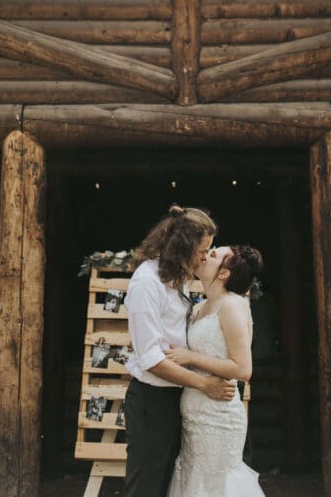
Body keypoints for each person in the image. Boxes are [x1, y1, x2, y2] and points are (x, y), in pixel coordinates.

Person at [124, 206, 237, 497]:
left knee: (171, 485)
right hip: (152, 402)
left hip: (179, 396)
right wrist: (204, 384)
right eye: (202, 250)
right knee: (147, 487)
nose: (204, 257)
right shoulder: (147, 282)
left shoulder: (179, 279)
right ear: (182, 247)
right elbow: (150, 358)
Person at [165, 244, 265, 497]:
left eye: (212, 255)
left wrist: (189, 356)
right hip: (193, 413)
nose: (203, 256)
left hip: (218, 416)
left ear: (224, 273)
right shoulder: (200, 307)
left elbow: (243, 368)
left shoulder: (233, 305)